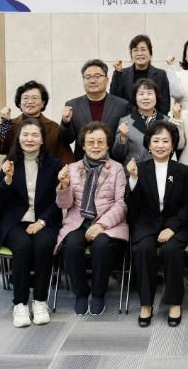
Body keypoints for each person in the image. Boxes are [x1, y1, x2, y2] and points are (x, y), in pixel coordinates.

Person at [0, 117, 62, 327]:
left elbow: (58, 200)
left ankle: (40, 301)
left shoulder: (54, 165)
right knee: (22, 246)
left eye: (34, 135)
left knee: (43, 245)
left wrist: (42, 221)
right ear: (18, 138)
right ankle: (20, 303)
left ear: (42, 140)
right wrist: (6, 180)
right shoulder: (9, 163)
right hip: (15, 221)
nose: (29, 139)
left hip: (44, 220)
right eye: (25, 134)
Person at [55, 122, 128, 316]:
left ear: (108, 145)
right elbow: (64, 205)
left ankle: (98, 293)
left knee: (102, 246)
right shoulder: (72, 168)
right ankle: (80, 293)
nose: (96, 146)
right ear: (83, 146)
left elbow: (121, 204)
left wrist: (101, 225)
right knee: (71, 246)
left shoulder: (117, 169)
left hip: (108, 223)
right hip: (78, 220)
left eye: (100, 142)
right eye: (91, 142)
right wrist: (64, 186)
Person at [126, 121, 188, 328]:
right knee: (143, 249)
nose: (160, 145)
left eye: (166, 141)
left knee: (171, 250)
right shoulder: (139, 169)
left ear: (173, 145)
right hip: (146, 223)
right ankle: (146, 304)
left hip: (177, 224)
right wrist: (133, 179)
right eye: (156, 141)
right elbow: (133, 206)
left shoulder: (183, 171)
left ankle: (174, 302)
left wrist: (172, 228)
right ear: (149, 144)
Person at [0, 80, 74, 165]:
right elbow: (1, 148)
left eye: (35, 98)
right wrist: (5, 122)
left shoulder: (53, 127)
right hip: (15, 172)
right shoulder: (11, 124)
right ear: (19, 103)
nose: (30, 102)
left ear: (43, 103)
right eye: (25, 98)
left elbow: (65, 157)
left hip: (47, 172)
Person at [60, 59, 130, 161]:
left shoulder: (121, 105)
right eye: (88, 77)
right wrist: (66, 123)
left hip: (113, 164)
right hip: (83, 164)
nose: (92, 81)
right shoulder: (73, 105)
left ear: (107, 80)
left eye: (97, 76)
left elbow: (126, 140)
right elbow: (66, 140)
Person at [113, 78, 173, 165]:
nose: (145, 97)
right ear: (135, 98)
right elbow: (118, 155)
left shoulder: (166, 121)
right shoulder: (126, 121)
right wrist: (123, 137)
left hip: (160, 168)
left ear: (156, 96)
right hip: (134, 169)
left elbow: (174, 149)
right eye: (141, 94)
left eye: (149, 93)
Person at [110, 34, 171, 115]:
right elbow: (114, 99)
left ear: (150, 53)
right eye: (135, 50)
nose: (139, 53)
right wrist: (117, 73)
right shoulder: (122, 73)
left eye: (143, 49)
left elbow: (165, 105)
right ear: (131, 54)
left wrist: (154, 120)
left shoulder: (161, 74)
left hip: (154, 120)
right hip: (128, 119)